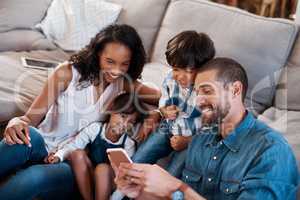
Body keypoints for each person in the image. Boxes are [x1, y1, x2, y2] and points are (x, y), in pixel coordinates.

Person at [0, 24, 160, 200]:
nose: (116, 71)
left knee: (34, 177)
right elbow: (30, 118)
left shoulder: (124, 84)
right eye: (110, 62)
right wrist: (17, 121)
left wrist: (155, 114)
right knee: (26, 135)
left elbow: (163, 96)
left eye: (124, 64)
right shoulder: (67, 73)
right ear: (98, 53)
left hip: (71, 162)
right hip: (42, 145)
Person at [115, 58, 299, 200]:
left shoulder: (271, 152)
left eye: (207, 91)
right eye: (197, 92)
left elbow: (180, 193)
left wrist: (175, 187)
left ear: (235, 90)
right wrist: (139, 192)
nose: (199, 101)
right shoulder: (200, 139)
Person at [131, 31, 215, 178]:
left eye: (188, 71)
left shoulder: (208, 91)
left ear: (204, 68)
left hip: (190, 138)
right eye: (176, 69)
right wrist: (161, 112)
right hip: (168, 127)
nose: (180, 76)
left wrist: (189, 141)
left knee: (172, 175)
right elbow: (164, 100)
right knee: (138, 160)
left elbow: (213, 129)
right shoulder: (170, 78)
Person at [45, 92, 146, 200]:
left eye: (131, 122)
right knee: (77, 154)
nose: (125, 124)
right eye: (122, 116)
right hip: (90, 180)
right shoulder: (95, 129)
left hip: (113, 186)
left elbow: (125, 179)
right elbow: (74, 145)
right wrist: (59, 155)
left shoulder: (128, 144)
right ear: (112, 110)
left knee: (102, 169)